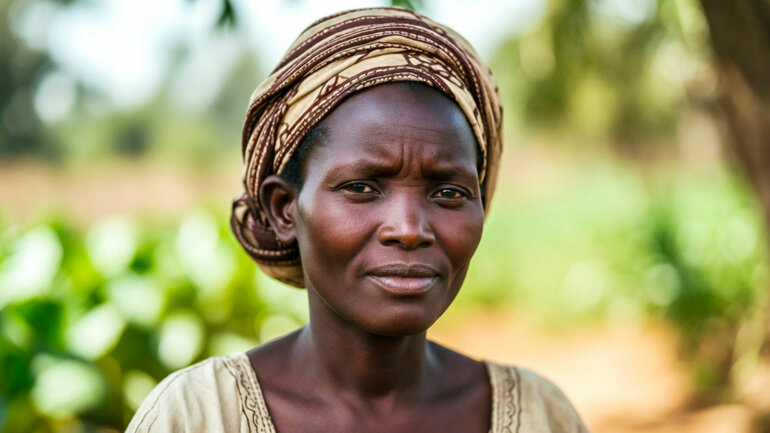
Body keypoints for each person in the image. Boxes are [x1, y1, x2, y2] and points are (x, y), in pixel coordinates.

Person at [126, 7, 589, 433]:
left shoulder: (540, 416)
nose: (409, 229)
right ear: (284, 209)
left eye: (449, 192)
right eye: (361, 188)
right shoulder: (197, 416)